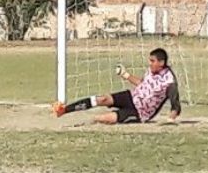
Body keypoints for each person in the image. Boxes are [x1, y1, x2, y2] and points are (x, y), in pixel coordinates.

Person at [53, 48, 182, 125]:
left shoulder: (169, 82)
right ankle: (64, 110)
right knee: (103, 99)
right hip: (131, 96)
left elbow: (175, 104)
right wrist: (125, 75)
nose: (150, 63)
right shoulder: (151, 70)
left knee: (106, 118)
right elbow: (143, 84)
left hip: (139, 112)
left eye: (152, 61)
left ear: (161, 62)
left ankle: (88, 122)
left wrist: (171, 119)